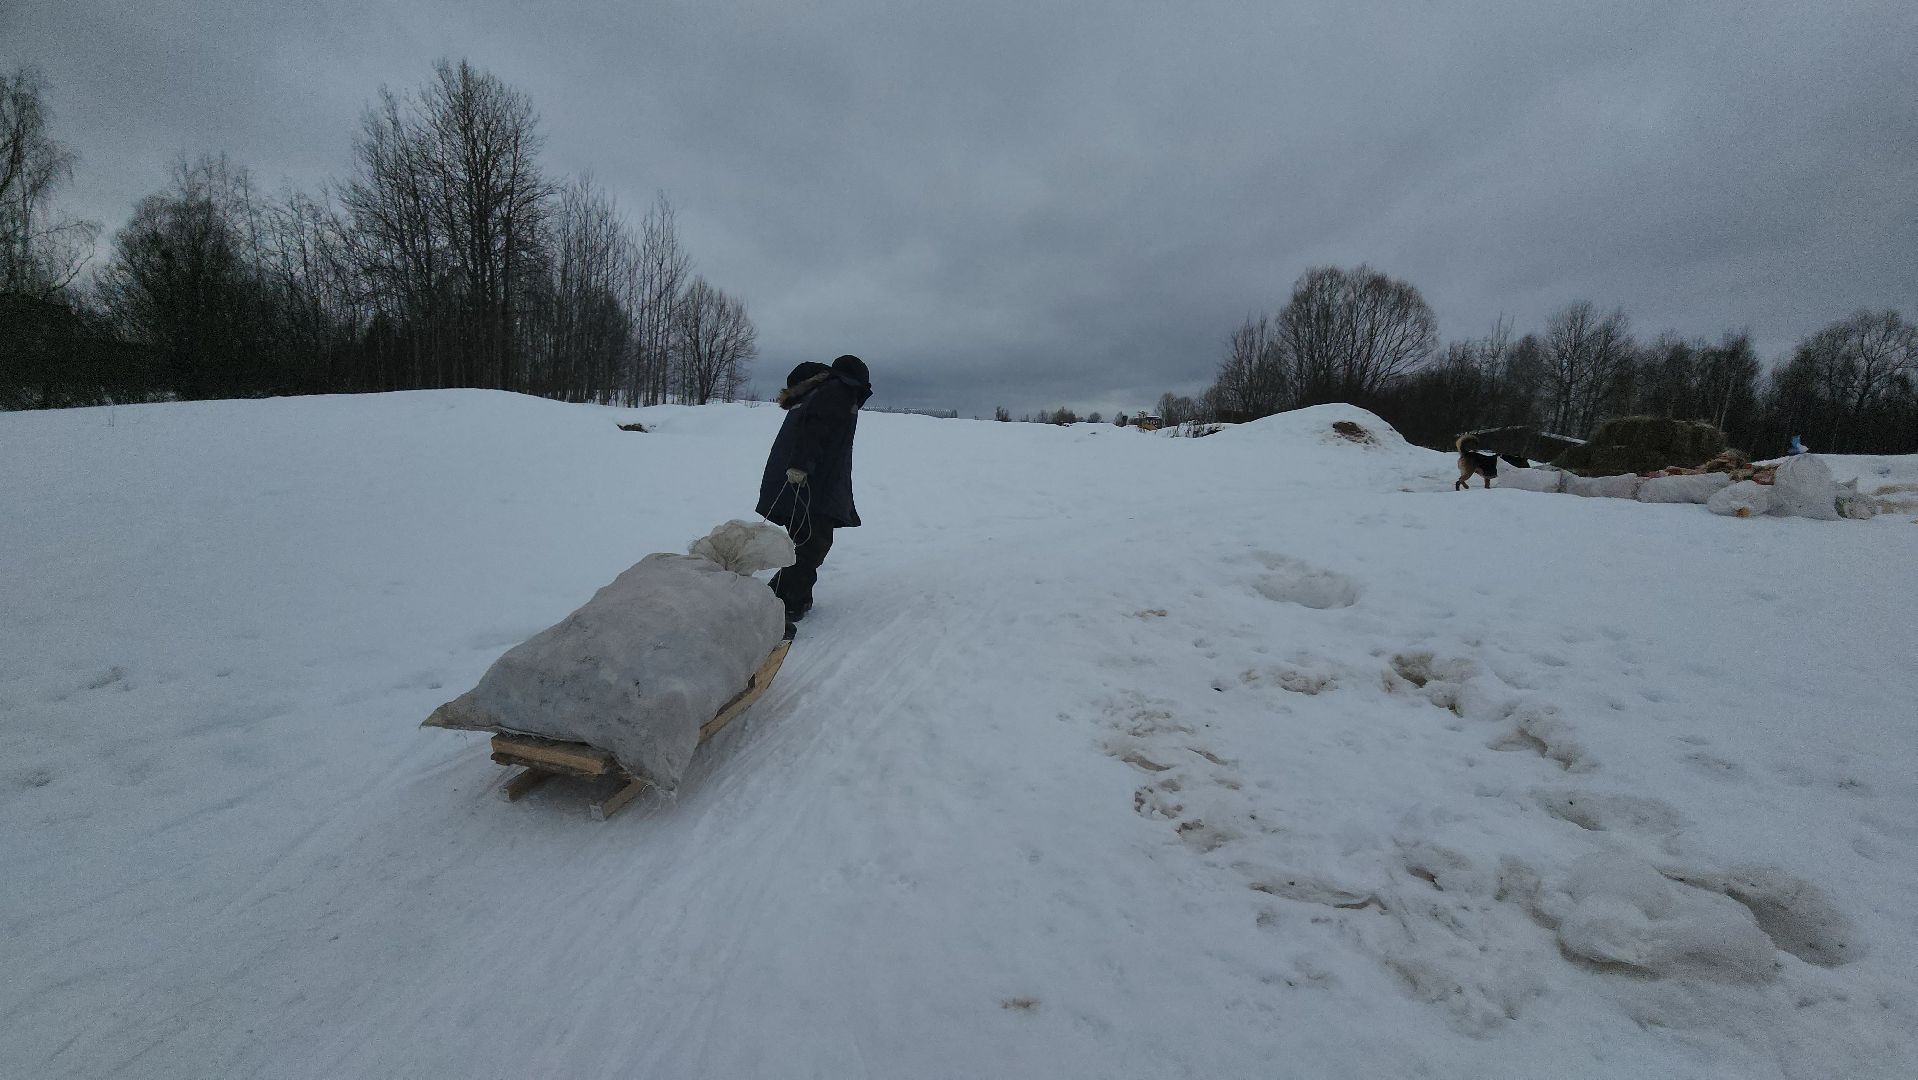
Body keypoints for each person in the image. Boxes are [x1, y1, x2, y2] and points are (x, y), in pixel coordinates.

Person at [758, 354, 872, 624]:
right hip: (808, 481)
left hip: (801, 481)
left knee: (806, 541)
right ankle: (782, 605)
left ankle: (790, 598)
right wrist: (801, 466)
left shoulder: (821, 391)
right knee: (813, 544)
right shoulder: (838, 389)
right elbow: (815, 428)